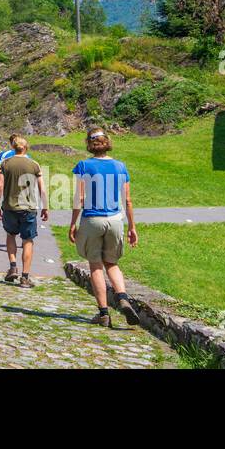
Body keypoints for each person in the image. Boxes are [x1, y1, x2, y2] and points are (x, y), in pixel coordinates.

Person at [69, 127, 139, 327]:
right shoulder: (120, 166)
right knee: (112, 263)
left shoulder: (84, 165)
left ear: (90, 144)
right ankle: (123, 297)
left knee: (95, 265)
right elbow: (128, 200)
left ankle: (103, 314)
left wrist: (73, 223)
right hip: (115, 220)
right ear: (107, 142)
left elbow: (80, 198)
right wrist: (132, 227)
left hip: (92, 220)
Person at [0, 135, 48, 287]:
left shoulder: (5, 163)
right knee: (28, 241)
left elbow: (0, 186)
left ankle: (13, 266)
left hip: (10, 207)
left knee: (10, 235)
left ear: (13, 147)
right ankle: (25, 277)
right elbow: (42, 188)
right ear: (26, 148)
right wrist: (46, 206)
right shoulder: (34, 164)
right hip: (28, 209)